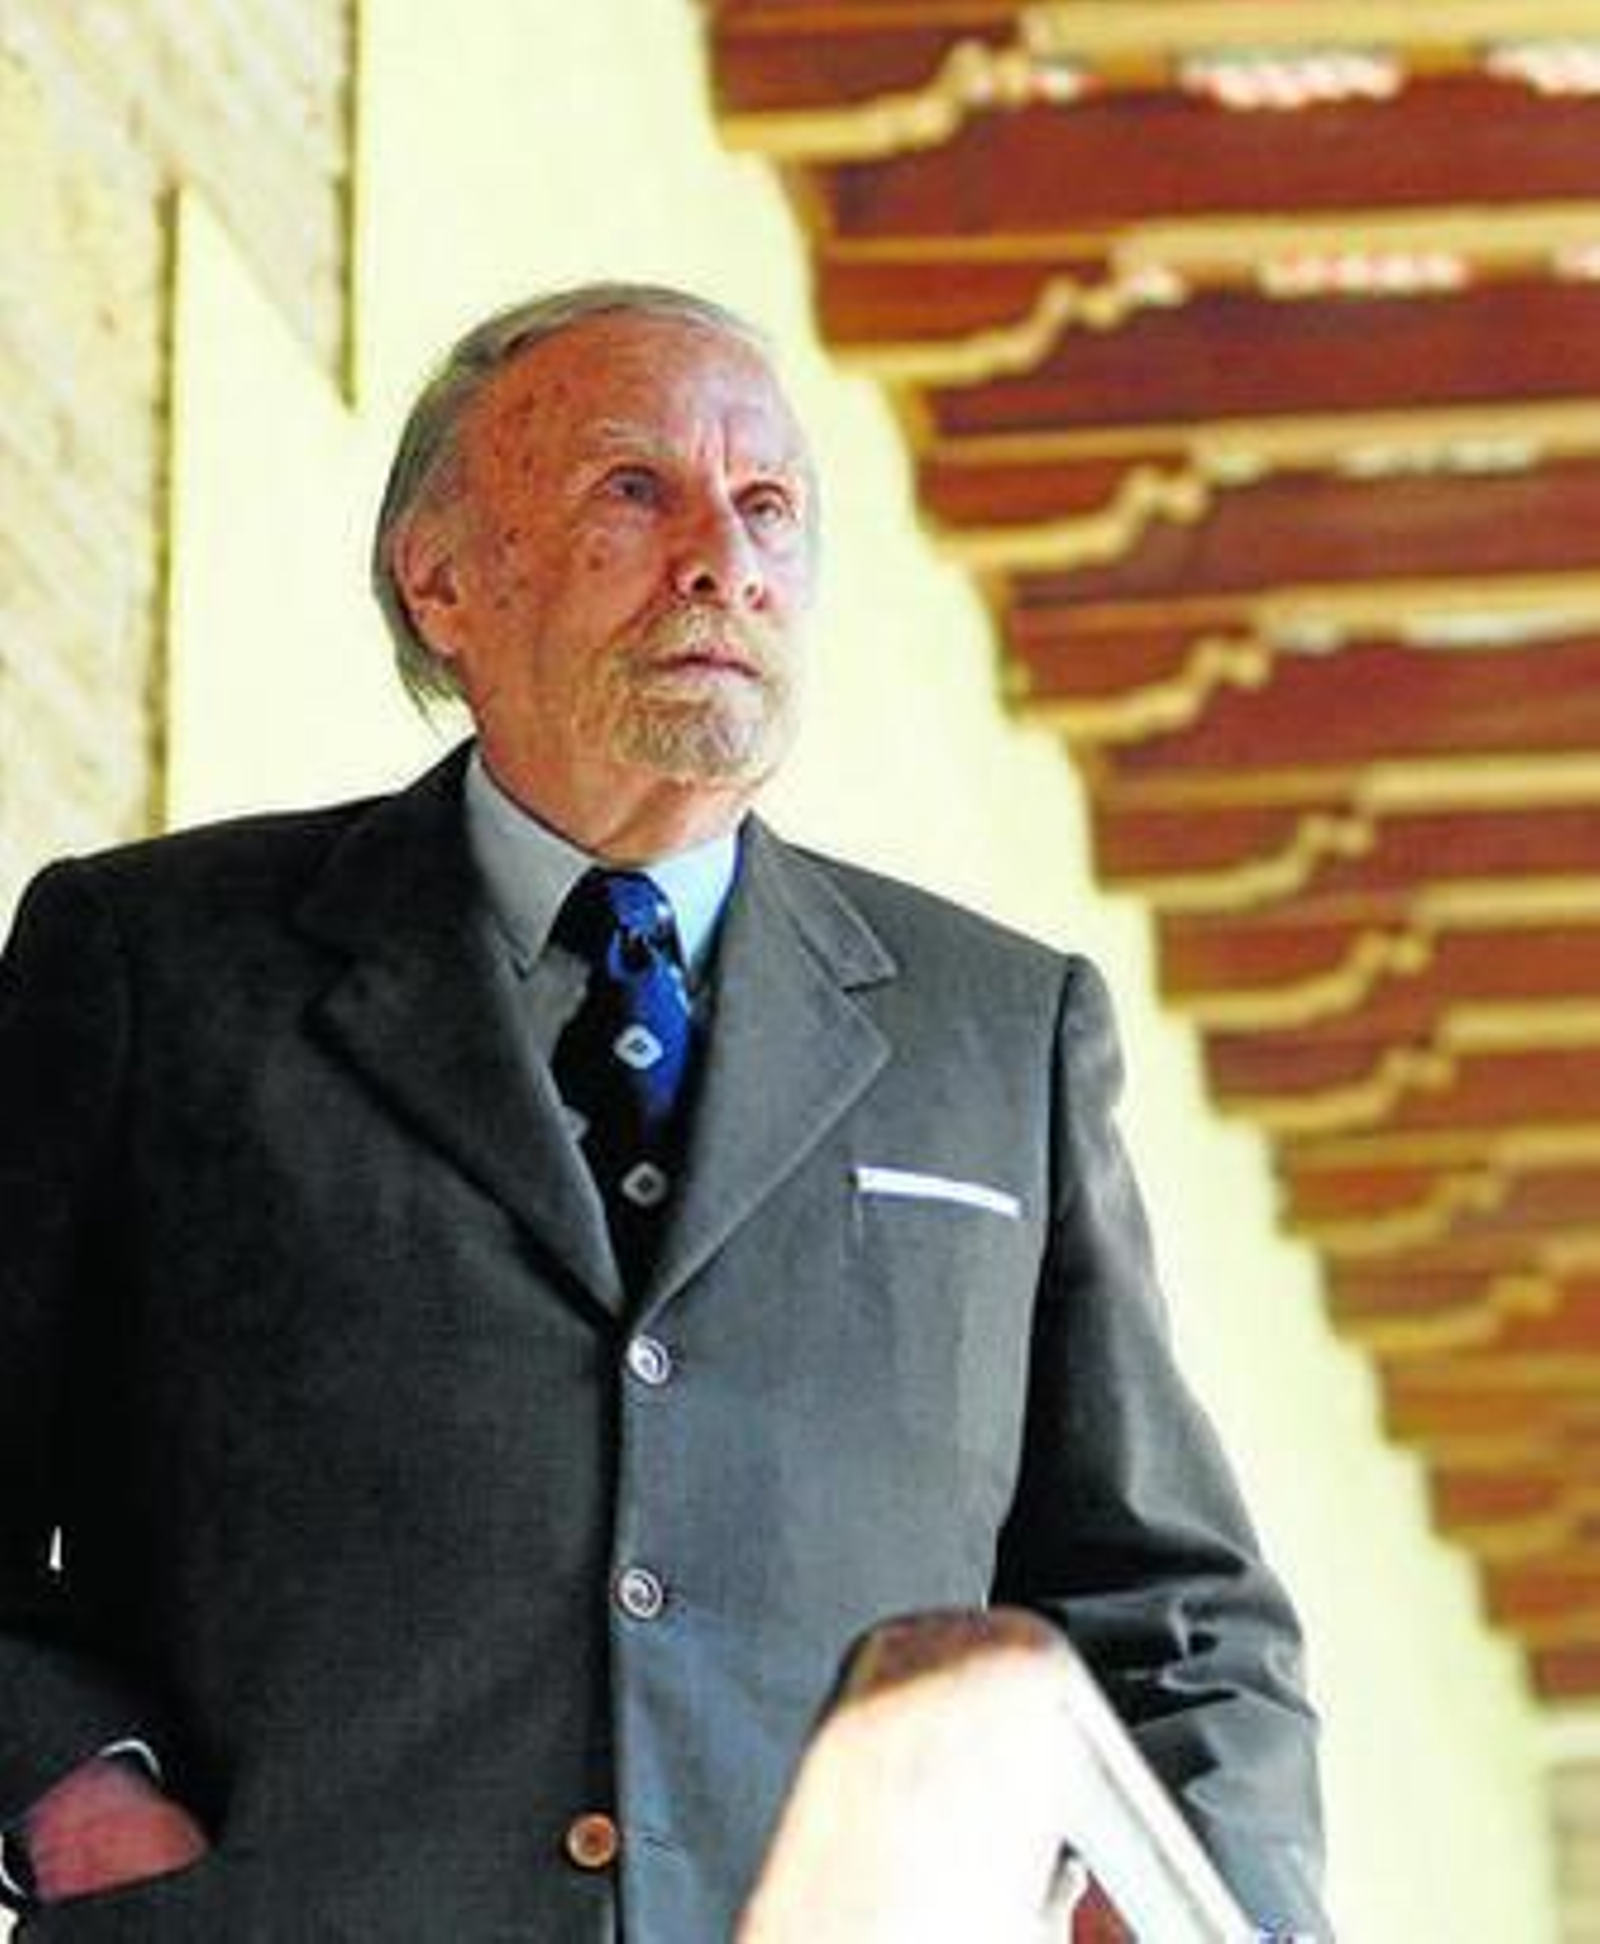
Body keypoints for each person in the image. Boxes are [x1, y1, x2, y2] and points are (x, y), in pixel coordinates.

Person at [0, 283, 1329, 1940]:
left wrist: (1218, 1910)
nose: (724, 559)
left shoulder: (999, 1034)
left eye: (766, 506)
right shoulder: (154, 963)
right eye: (636, 490)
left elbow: (1178, 1619)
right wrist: (78, 1802)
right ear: (441, 580)